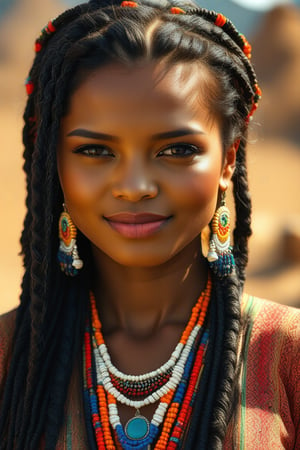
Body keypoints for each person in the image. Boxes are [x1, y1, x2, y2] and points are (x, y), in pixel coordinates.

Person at [0, 0, 299, 448]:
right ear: (54, 164)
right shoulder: (10, 356)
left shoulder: (286, 354)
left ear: (228, 161)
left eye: (176, 150)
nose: (135, 186)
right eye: (95, 151)